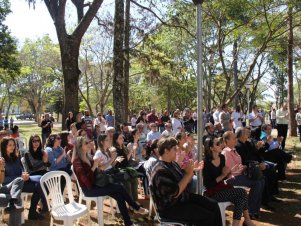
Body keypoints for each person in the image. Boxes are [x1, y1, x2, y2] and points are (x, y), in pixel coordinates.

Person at [72, 136, 149, 226]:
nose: (89, 144)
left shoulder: (88, 156)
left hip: (96, 183)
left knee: (120, 195)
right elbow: (85, 180)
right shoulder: (77, 161)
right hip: (89, 189)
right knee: (120, 187)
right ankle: (135, 207)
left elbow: (97, 172)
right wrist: (94, 166)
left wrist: (98, 166)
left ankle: (128, 222)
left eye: (89, 142)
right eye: (86, 143)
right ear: (80, 146)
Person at [150, 136, 222, 226]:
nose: (177, 151)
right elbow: (176, 193)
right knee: (207, 216)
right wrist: (188, 173)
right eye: (174, 149)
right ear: (166, 151)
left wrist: (192, 170)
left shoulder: (172, 163)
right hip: (170, 208)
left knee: (214, 205)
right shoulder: (160, 171)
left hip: (182, 199)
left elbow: (184, 181)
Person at [203, 137, 255, 226]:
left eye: (220, 142)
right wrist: (223, 175)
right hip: (212, 193)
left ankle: (241, 223)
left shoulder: (222, 157)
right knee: (242, 192)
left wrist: (231, 172)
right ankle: (247, 221)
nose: (220, 145)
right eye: (217, 144)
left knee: (240, 199)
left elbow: (224, 178)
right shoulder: (206, 163)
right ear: (211, 148)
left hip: (222, 188)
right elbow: (208, 184)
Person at [1, 137, 47, 220]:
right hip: (10, 186)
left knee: (41, 180)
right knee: (38, 186)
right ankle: (33, 211)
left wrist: (24, 174)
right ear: (4, 147)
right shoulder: (2, 160)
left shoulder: (15, 157)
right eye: (10, 145)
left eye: (14, 145)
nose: (13, 147)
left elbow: (21, 169)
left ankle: (35, 210)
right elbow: (3, 180)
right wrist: (19, 177)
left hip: (22, 180)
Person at [222, 131, 264, 219]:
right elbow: (230, 170)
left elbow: (238, 165)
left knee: (261, 180)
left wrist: (244, 167)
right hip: (232, 178)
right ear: (227, 140)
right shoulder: (226, 152)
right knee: (257, 183)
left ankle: (255, 209)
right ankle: (250, 211)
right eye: (233, 138)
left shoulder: (234, 150)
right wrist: (243, 168)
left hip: (240, 175)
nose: (235, 139)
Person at [112, 132, 139, 202]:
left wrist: (131, 151)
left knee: (135, 180)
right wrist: (116, 161)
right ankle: (131, 203)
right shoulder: (113, 149)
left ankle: (135, 201)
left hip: (126, 168)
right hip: (119, 171)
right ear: (116, 140)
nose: (122, 139)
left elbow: (126, 159)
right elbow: (112, 165)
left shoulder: (123, 147)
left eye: (122, 137)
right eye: (120, 138)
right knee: (128, 183)